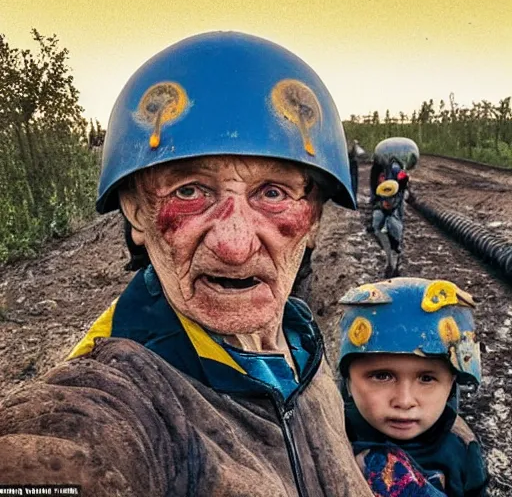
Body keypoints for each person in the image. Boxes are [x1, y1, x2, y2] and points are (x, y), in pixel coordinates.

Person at [0, 32, 375, 496]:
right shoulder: (122, 405)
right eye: (190, 191)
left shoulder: (303, 348)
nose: (235, 246)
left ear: (314, 217)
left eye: (273, 193)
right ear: (135, 211)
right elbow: (57, 454)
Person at [338, 277, 488, 496]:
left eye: (426, 379)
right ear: (349, 382)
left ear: (452, 384)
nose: (404, 401)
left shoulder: (462, 451)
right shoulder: (330, 440)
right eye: (382, 376)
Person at [369, 137, 419, 278]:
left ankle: (394, 261)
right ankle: (391, 260)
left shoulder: (395, 171)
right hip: (385, 202)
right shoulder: (381, 171)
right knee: (379, 227)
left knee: (394, 230)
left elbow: (401, 187)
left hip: (394, 203)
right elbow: (376, 190)